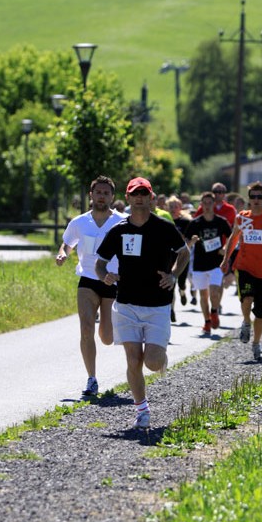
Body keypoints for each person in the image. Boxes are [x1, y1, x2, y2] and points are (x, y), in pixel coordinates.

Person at [95, 177, 190, 429]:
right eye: (134, 194)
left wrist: (174, 275)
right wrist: (104, 274)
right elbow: (100, 261)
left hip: (158, 305)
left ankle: (160, 357)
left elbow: (184, 253)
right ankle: (142, 410)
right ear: (127, 198)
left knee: (152, 362)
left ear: (151, 197)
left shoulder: (164, 227)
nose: (139, 198)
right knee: (133, 360)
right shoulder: (118, 231)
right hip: (126, 304)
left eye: (143, 194)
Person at [55, 175, 126, 398]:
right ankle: (92, 379)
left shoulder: (122, 222)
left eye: (106, 193)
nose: (102, 197)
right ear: (91, 195)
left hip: (110, 280)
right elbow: (67, 243)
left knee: (106, 337)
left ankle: (110, 328)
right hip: (87, 279)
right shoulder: (79, 222)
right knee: (86, 327)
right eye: (98, 192)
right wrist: (62, 254)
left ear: (112, 197)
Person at [220, 181, 262, 361]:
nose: (256, 200)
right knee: (247, 298)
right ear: (249, 199)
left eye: (259, 197)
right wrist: (225, 260)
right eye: (253, 197)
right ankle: (246, 321)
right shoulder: (242, 217)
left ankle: (256, 344)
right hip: (245, 266)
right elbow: (233, 238)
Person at [185, 191, 231, 335]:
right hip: (199, 264)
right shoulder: (195, 223)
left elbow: (231, 238)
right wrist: (192, 241)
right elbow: (186, 244)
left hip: (216, 263)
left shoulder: (221, 221)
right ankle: (207, 322)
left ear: (214, 204)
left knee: (214, 292)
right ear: (201, 205)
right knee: (203, 296)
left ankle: (215, 312)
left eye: (209, 203)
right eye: (204, 203)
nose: (206, 206)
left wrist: (225, 249)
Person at [167, 195, 193, 319]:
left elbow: (190, 240)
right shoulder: (165, 221)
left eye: (176, 206)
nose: (173, 209)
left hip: (182, 256)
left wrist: (187, 243)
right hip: (168, 256)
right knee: (171, 282)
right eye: (171, 206)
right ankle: (171, 310)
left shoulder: (186, 222)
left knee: (181, 282)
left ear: (180, 207)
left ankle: (183, 292)